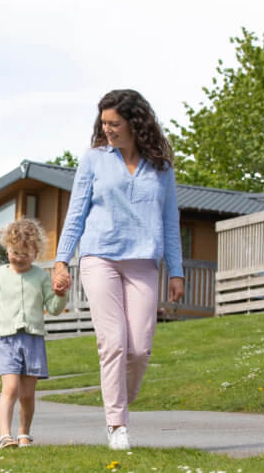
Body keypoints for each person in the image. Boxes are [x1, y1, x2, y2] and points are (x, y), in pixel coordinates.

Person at [52, 89, 185, 451]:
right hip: (100, 258)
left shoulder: (161, 168)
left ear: (135, 124)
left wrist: (177, 271)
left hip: (143, 261)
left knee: (139, 348)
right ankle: (117, 425)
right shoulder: (94, 160)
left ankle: (121, 396)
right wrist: (61, 260)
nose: (107, 129)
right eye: (104, 123)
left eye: (115, 123)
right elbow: (76, 212)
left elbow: (170, 221)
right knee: (113, 341)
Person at [0, 219, 67, 448]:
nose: (18, 258)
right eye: (14, 252)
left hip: (33, 339)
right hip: (6, 339)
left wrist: (61, 293)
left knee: (27, 394)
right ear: (7, 248)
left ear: (35, 252)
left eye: (25, 254)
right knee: (11, 388)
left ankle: (24, 433)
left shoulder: (41, 277)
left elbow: (54, 309)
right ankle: (5, 435)